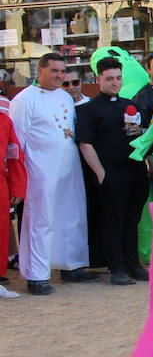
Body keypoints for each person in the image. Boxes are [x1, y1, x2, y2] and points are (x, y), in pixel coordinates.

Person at [11, 53, 95, 294]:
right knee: (41, 220)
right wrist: (20, 177)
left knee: (72, 215)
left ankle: (72, 266)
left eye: (62, 71)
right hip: (40, 170)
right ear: (40, 70)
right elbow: (17, 142)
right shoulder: (25, 100)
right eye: (54, 71)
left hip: (68, 168)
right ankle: (36, 275)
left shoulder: (65, 97)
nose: (59, 76)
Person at [74, 57, 151, 285]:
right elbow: (85, 143)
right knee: (112, 221)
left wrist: (141, 132)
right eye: (109, 78)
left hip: (135, 170)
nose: (114, 82)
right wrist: (101, 173)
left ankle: (133, 264)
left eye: (118, 78)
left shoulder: (131, 104)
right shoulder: (89, 110)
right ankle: (116, 267)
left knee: (132, 219)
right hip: (110, 172)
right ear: (98, 79)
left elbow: (143, 137)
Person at [0, 101, 23, 298]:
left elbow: (14, 154)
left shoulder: (4, 121)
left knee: (1, 231)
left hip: (1, 184)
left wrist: (17, 186)